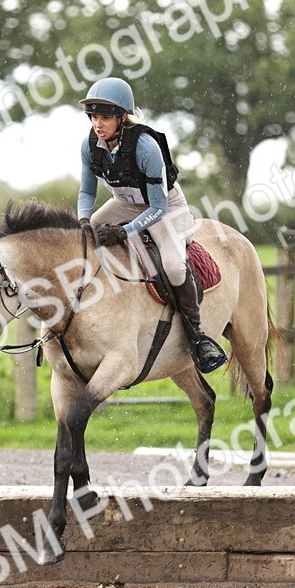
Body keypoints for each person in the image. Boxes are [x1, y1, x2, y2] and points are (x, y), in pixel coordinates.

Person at [76, 77, 227, 374]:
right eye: (93, 116)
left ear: (122, 117)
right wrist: (83, 219)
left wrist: (123, 231)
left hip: (166, 208)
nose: (97, 124)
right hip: (124, 202)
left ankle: (198, 336)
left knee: (171, 264)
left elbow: (157, 207)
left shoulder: (145, 146)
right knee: (91, 230)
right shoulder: (90, 146)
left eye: (105, 117)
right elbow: (87, 193)